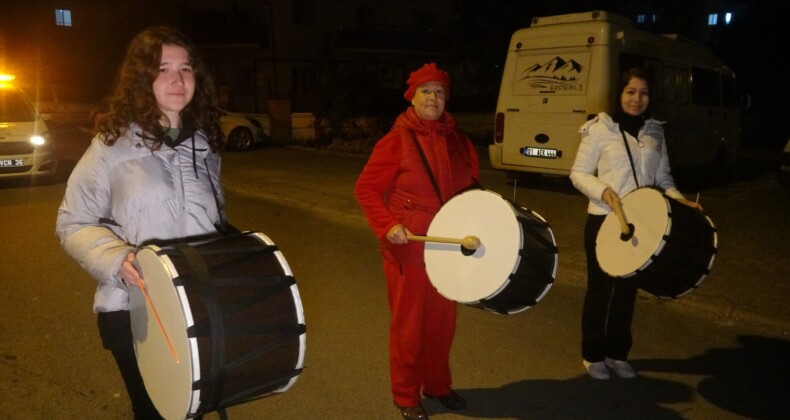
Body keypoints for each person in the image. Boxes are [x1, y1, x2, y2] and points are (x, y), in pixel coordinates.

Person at [56, 26, 226, 418]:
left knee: (193, 409)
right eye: (163, 68)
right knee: (155, 412)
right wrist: (116, 259)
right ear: (141, 78)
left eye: (186, 68)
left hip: (197, 304)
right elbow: (72, 220)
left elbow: (213, 224)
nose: (178, 79)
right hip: (135, 309)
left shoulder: (205, 146)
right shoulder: (110, 145)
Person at [354, 63, 479, 420]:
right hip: (409, 249)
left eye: (440, 92)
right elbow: (365, 189)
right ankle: (406, 395)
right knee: (409, 327)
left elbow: (470, 190)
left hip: (448, 249)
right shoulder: (397, 139)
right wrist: (388, 224)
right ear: (412, 97)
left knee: (442, 325)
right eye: (426, 91)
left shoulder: (458, 141)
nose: (433, 98)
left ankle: (437, 386)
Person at [569, 67, 702, 380]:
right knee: (600, 290)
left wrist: (678, 199)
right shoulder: (600, 128)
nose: (636, 98)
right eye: (630, 91)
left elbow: (663, 177)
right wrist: (603, 190)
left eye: (643, 93)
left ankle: (617, 353)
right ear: (619, 93)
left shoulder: (655, 131)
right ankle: (592, 355)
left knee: (628, 291)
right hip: (604, 220)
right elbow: (578, 173)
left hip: (641, 223)